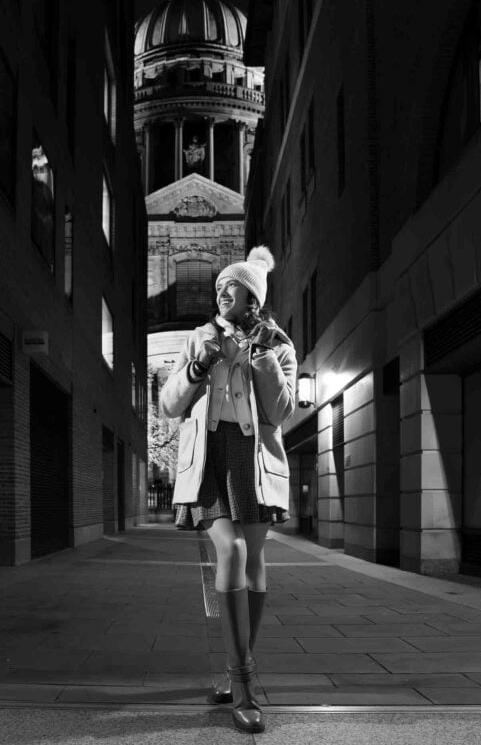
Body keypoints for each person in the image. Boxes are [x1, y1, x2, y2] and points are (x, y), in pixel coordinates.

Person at [160, 245, 297, 734]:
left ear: (252, 297)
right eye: (217, 286)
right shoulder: (199, 337)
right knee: (232, 550)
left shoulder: (277, 344)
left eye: (230, 286)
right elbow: (169, 404)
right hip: (209, 460)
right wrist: (198, 368)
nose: (220, 291)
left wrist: (261, 357)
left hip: (253, 462)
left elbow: (281, 412)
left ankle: (239, 667)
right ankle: (242, 685)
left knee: (254, 559)